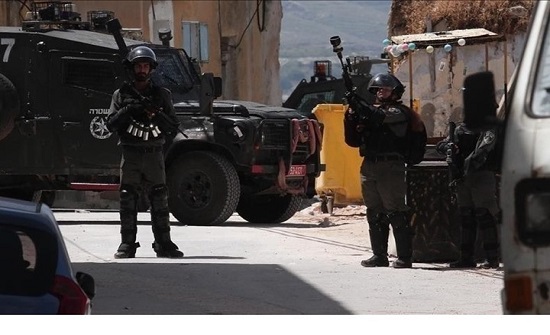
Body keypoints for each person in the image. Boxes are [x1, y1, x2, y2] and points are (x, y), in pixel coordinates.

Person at [106, 46, 183, 259]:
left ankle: (164, 243)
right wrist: (129, 109)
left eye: (145, 66)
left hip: (153, 154)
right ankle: (127, 244)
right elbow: (111, 124)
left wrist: (156, 114)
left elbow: (173, 126)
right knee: (127, 198)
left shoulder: (161, 95)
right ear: (132, 69)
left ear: (151, 69)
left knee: (159, 198)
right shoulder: (121, 95)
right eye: (138, 66)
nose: (142, 70)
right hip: (130, 153)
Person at [343, 73, 422, 269]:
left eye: (385, 89)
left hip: (390, 167)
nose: (381, 92)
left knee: (395, 210)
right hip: (369, 165)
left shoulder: (399, 112)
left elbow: (378, 117)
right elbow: (353, 139)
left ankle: (404, 257)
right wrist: (351, 114)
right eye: (378, 89)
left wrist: (358, 103)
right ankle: (379, 255)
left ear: (395, 93)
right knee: (374, 212)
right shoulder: (370, 112)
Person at [436, 122, 500, 269]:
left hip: (481, 175)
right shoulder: (461, 128)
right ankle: (466, 258)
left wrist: (465, 164)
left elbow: (483, 150)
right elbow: (442, 145)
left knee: (485, 215)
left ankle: (492, 258)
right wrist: (449, 148)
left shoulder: (489, 128)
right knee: (466, 216)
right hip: (462, 178)